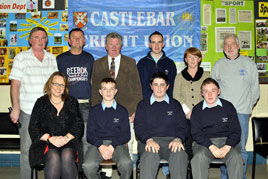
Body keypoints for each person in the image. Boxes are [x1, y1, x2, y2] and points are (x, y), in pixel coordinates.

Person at [91, 32, 142, 178]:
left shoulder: (130, 62)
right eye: (111, 44)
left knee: (128, 143)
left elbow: (138, 90)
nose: (114, 47)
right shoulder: (98, 63)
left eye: (117, 44)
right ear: (106, 46)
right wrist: (97, 111)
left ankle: (128, 174)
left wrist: (133, 110)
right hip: (103, 111)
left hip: (126, 112)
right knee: (104, 139)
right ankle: (106, 174)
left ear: (121, 46)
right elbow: (95, 92)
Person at [9, 27, 58, 179]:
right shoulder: (21, 57)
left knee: (51, 149)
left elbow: (56, 84)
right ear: (30, 40)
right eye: (36, 37)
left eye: (43, 38)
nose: (40, 40)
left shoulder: (51, 58)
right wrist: (16, 108)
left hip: (49, 113)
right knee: (27, 151)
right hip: (28, 111)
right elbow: (15, 85)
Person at [212, 34, 260, 179]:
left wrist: (247, 106)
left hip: (241, 113)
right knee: (223, 147)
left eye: (232, 44)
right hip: (222, 115)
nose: (229, 47)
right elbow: (213, 91)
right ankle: (225, 176)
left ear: (238, 45)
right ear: (223, 48)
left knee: (241, 149)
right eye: (226, 44)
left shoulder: (249, 64)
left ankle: (240, 176)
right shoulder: (218, 65)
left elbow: (255, 90)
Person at [28, 72, 84, 179]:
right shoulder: (41, 102)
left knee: (67, 155)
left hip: (69, 141)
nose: (59, 87)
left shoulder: (72, 102)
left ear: (65, 87)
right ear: (50, 85)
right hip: (46, 142)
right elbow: (33, 128)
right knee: (53, 156)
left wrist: (66, 138)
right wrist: (50, 138)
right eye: (56, 84)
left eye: (62, 85)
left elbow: (79, 125)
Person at [134, 72, 188, 179]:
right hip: (149, 141)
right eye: (156, 84)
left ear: (167, 86)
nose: (159, 88)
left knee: (180, 154)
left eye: (162, 85)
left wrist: (178, 139)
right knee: (150, 155)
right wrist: (148, 140)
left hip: (172, 142)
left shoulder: (175, 104)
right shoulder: (143, 105)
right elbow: (139, 127)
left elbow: (183, 126)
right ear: (151, 86)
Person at [190, 77, 243, 179]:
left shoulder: (228, 107)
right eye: (206, 91)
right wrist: (211, 146)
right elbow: (196, 133)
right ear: (202, 93)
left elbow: (236, 131)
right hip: (204, 144)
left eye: (213, 91)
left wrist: (227, 146)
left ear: (219, 91)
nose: (209, 94)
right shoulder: (197, 110)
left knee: (236, 158)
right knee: (198, 158)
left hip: (227, 142)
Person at [82, 78, 132, 179]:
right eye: (105, 89)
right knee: (88, 165)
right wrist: (101, 146)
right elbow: (90, 134)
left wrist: (112, 146)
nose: (108, 92)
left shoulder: (122, 110)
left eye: (111, 89)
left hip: (117, 144)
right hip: (98, 145)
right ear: (100, 91)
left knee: (126, 163)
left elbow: (126, 134)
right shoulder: (94, 111)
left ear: (116, 91)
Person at [57, 28, 94, 156]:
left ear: (84, 41)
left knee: (85, 139)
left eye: (80, 38)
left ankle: (84, 171)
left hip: (86, 105)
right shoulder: (60, 59)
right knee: (67, 138)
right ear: (69, 41)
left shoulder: (89, 58)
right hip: (67, 104)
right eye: (74, 37)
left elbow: (91, 81)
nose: (77, 40)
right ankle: (69, 168)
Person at [173, 47, 210, 159]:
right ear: (185, 59)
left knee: (201, 144)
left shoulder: (206, 75)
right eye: (189, 57)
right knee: (187, 143)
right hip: (185, 117)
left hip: (203, 116)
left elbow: (209, 95)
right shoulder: (179, 76)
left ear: (199, 59)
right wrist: (187, 112)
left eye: (195, 57)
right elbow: (176, 96)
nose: (192, 60)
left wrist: (198, 112)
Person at [137, 31, 177, 98]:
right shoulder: (142, 63)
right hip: (146, 103)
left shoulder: (170, 63)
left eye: (159, 42)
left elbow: (173, 86)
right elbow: (137, 86)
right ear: (149, 45)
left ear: (163, 44)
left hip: (166, 103)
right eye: (153, 42)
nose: (156, 45)